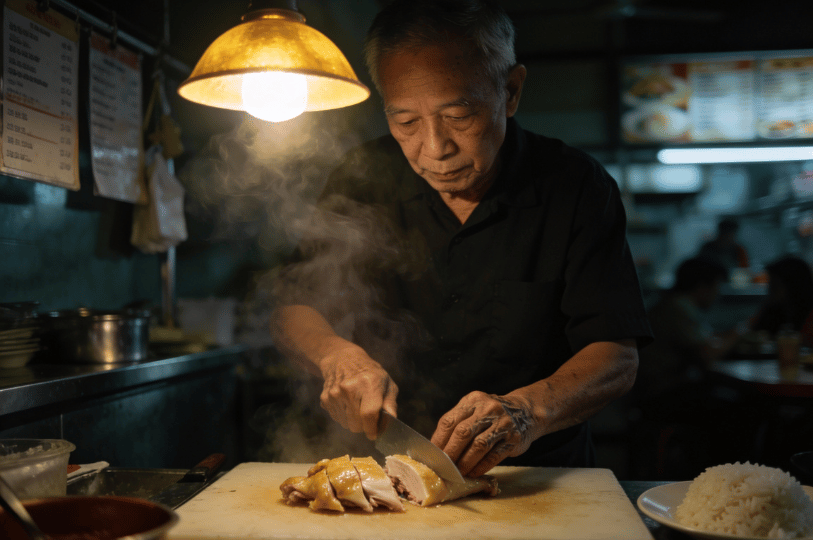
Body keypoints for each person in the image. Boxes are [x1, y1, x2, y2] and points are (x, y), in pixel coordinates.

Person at [270, 0, 652, 476]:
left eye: (459, 115)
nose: (434, 148)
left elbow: (616, 355)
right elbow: (294, 308)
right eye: (406, 121)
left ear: (510, 92)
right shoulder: (361, 178)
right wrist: (336, 355)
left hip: (535, 475)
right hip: (383, 471)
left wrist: (526, 411)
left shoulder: (576, 186)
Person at [635, 257, 738, 406]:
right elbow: (706, 354)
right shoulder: (677, 308)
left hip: (658, 387)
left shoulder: (672, 304)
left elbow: (703, 339)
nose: (717, 294)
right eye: (717, 286)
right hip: (660, 392)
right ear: (702, 287)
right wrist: (741, 330)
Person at [748, 255, 813, 345]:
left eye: (775, 285)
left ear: (793, 286)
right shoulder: (772, 311)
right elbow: (752, 333)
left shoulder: (809, 317)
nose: (770, 290)